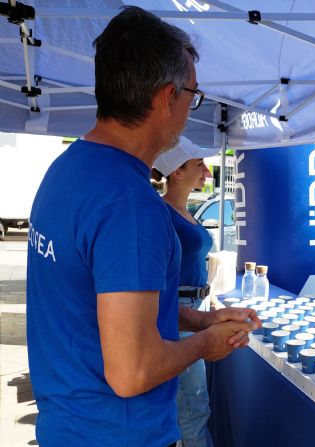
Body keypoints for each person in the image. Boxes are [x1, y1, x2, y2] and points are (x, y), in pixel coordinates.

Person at [26, 7, 259, 447]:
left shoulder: (68, 169)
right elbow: (132, 372)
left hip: (69, 428)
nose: (193, 105)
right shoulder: (130, 204)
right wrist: (204, 344)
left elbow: (113, 310)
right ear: (166, 97)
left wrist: (200, 319)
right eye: (193, 92)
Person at [152, 136, 217, 447]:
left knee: (191, 405)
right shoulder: (161, 213)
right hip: (179, 314)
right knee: (192, 409)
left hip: (193, 306)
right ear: (177, 171)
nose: (206, 172)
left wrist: (208, 293)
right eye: (199, 164)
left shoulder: (180, 210)